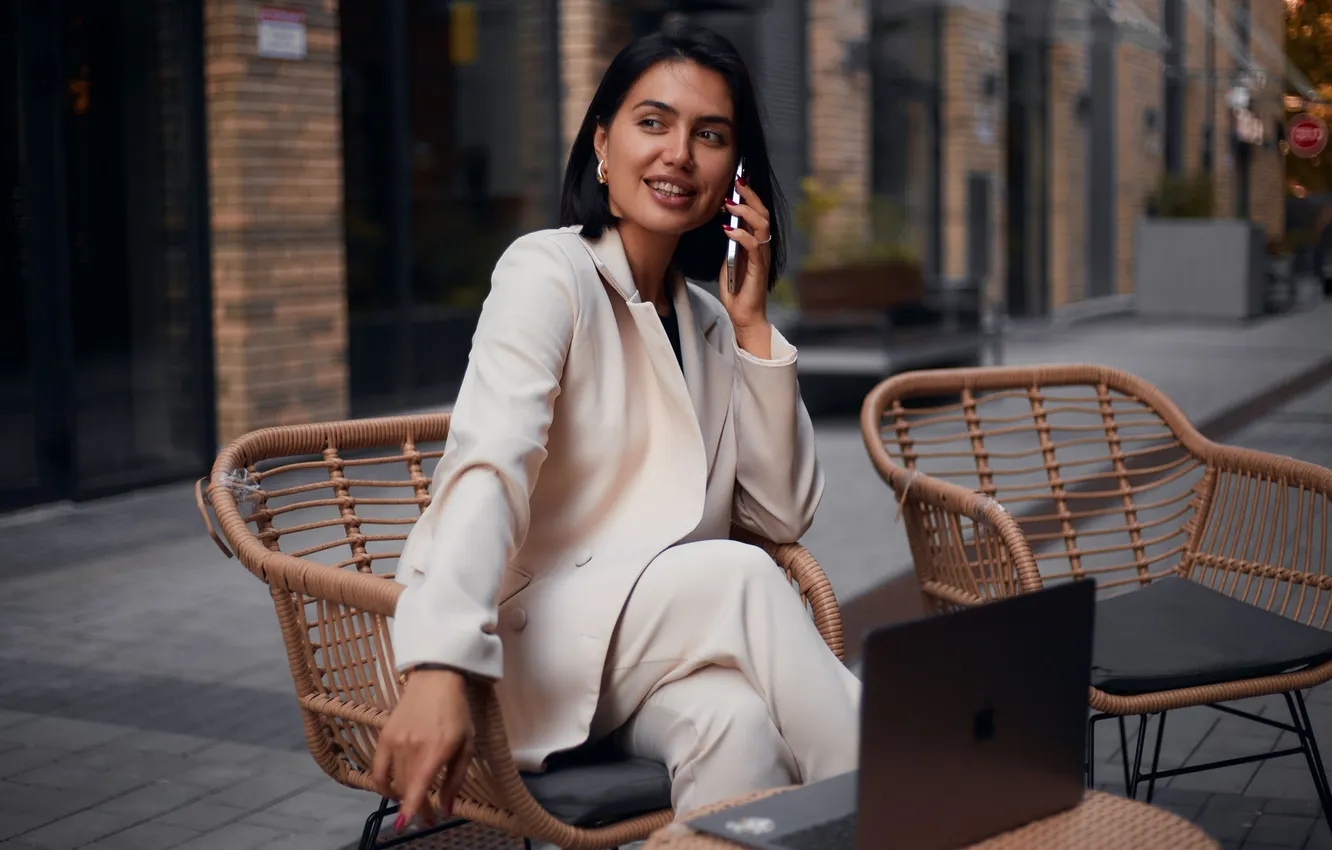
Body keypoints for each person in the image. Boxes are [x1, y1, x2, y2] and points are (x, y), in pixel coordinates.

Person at [372, 20, 861, 830]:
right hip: (527, 647)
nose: (679, 155)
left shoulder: (708, 323)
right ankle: (909, 811)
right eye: (652, 123)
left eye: (710, 136)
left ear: (734, 180)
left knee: (734, 725)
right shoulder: (546, 272)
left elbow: (777, 514)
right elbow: (488, 465)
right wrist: (439, 660)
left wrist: (751, 329)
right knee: (742, 577)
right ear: (602, 145)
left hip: (644, 658)